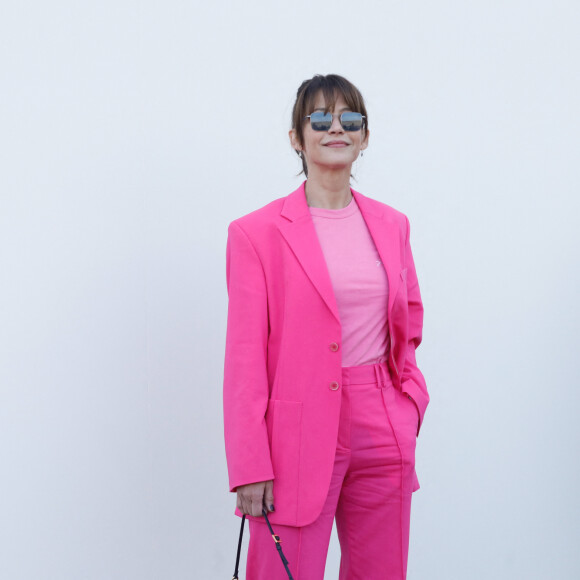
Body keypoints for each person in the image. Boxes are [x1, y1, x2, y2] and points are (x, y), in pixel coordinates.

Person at [223, 74, 429, 579]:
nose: (335, 128)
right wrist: (250, 464)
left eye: (349, 119)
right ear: (297, 137)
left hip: (383, 421)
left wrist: (409, 402)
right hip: (295, 431)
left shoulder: (392, 224)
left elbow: (410, 318)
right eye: (320, 118)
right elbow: (244, 359)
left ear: (363, 137)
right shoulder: (255, 233)